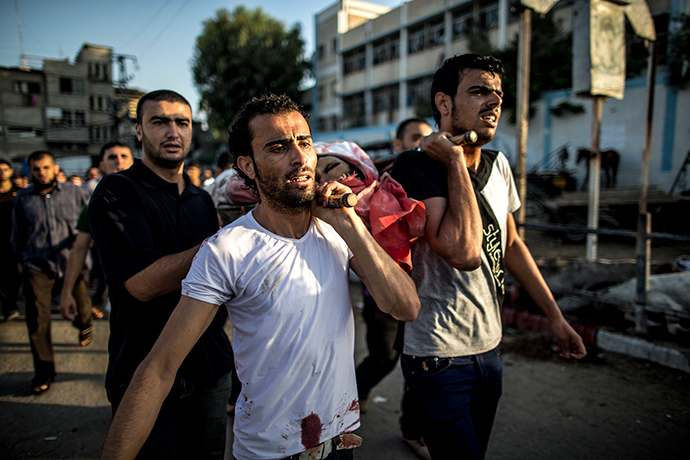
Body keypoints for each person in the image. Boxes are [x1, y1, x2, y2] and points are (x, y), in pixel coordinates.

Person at [98, 93, 421, 460]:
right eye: (279, 147)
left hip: (339, 442)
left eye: (305, 143)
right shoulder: (227, 250)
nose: (299, 158)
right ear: (248, 166)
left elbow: (406, 307)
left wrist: (348, 222)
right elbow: (157, 369)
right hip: (270, 452)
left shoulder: (338, 229)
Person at [390, 54, 587, 460]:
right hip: (437, 355)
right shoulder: (416, 166)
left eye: (498, 93)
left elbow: (512, 245)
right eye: (479, 91)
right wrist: (455, 162)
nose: (495, 102)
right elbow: (462, 251)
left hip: (489, 349)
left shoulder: (499, 165)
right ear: (444, 104)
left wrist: (555, 317)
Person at [88, 90, 234, 459]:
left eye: (181, 122)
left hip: (209, 368)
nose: (172, 131)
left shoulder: (202, 199)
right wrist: (231, 241)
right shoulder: (117, 190)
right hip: (143, 366)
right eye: (159, 122)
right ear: (138, 131)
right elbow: (143, 283)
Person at [351, 117, 433, 458]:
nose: (423, 145)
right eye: (415, 139)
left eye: (428, 139)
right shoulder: (378, 184)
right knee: (384, 356)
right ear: (397, 145)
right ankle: (356, 392)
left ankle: (412, 430)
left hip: (425, 295)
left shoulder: (436, 180)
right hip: (382, 294)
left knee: (419, 364)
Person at [12, 150, 89, 394]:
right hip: (38, 264)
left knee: (84, 307)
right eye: (36, 169)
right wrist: (20, 260)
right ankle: (44, 372)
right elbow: (18, 232)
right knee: (37, 320)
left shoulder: (75, 192)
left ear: (55, 169)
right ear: (30, 171)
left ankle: (84, 323)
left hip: (71, 262)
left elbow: (90, 225)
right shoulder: (23, 198)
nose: (42, 173)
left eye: (46, 167)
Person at [59, 142, 133, 331]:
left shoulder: (153, 194)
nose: (119, 161)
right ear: (101, 165)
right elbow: (79, 248)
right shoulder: (95, 203)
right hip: (122, 293)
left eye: (124, 156)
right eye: (112, 157)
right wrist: (67, 292)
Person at [0, 158, 20, 322]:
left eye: (5, 169)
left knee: (12, 276)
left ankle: (10, 306)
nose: (2, 172)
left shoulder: (19, 193)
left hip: (13, 241)